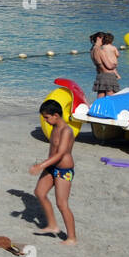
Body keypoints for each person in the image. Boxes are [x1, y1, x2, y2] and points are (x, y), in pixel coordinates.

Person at [31, 100, 77, 244]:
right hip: (51, 167)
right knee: (39, 192)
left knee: (62, 204)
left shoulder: (66, 131)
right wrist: (45, 165)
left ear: (56, 115)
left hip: (63, 170)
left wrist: (41, 165)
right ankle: (53, 225)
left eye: (47, 117)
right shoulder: (54, 127)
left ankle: (72, 238)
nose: (45, 120)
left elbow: (61, 153)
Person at [92, 32, 120, 97]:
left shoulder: (92, 50)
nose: (105, 41)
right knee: (110, 98)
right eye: (104, 39)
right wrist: (114, 65)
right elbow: (109, 66)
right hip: (108, 76)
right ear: (99, 38)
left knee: (101, 97)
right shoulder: (99, 50)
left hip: (100, 75)